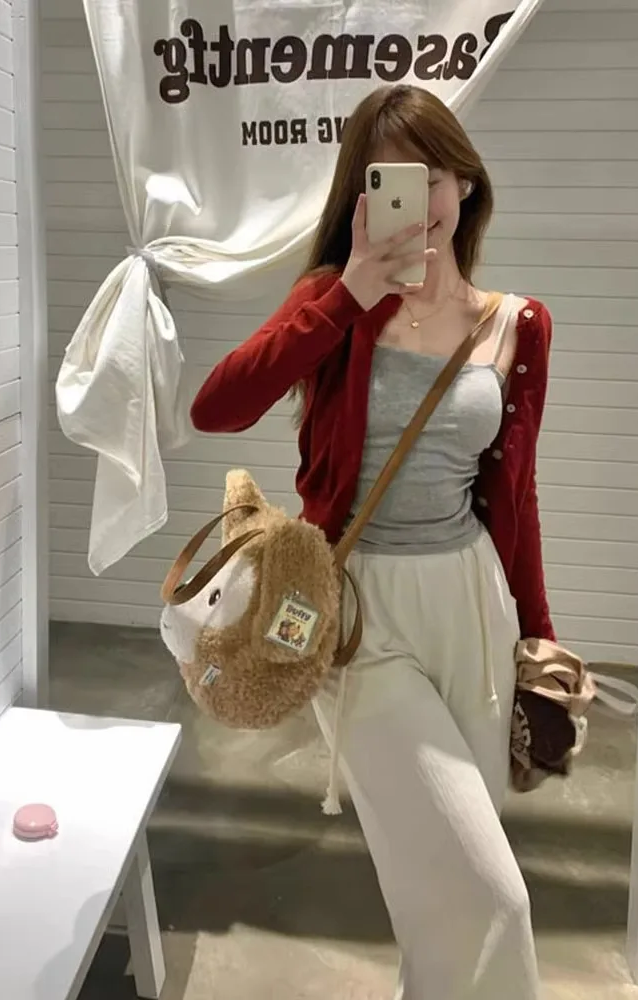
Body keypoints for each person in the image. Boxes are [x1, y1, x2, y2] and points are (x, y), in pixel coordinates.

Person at [191, 84, 555, 1000]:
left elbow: (515, 496)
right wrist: (349, 293)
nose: (418, 199)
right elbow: (217, 407)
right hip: (357, 615)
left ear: (466, 184)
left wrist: (540, 640)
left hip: (472, 606)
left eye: (432, 175)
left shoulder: (517, 324)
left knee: (440, 886)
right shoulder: (333, 303)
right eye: (389, 179)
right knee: (493, 896)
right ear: (361, 197)